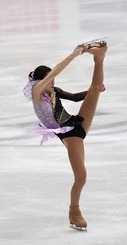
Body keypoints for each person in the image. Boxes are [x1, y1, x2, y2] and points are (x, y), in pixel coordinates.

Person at [23, 41, 108, 230]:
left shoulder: (54, 92)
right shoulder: (37, 92)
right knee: (81, 176)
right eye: (49, 81)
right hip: (68, 133)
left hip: (77, 123)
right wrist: (75, 53)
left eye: (52, 81)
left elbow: (77, 97)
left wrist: (95, 91)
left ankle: (99, 58)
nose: (52, 83)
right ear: (39, 82)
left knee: (94, 90)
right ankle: (74, 211)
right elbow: (54, 73)